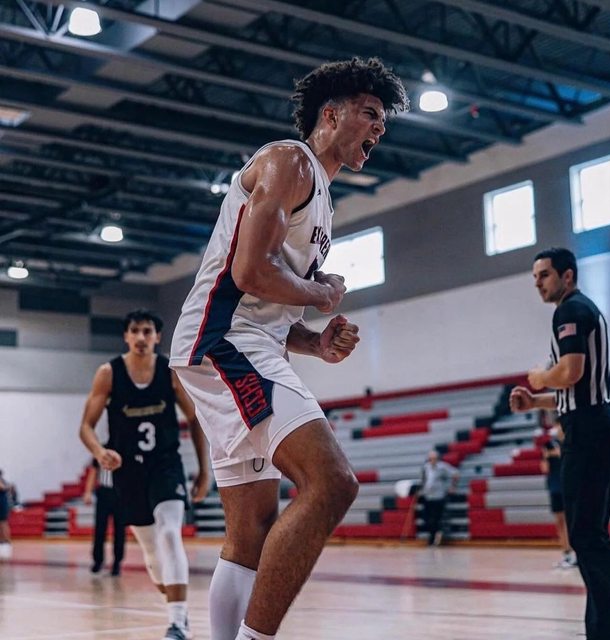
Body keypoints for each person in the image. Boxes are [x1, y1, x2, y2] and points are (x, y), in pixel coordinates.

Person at [170, 57, 409, 640]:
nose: (379, 127)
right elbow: (251, 272)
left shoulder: (322, 199)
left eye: (383, 120)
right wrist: (321, 293)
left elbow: (270, 306)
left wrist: (316, 342)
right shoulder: (289, 161)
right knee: (332, 482)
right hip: (223, 341)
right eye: (370, 113)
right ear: (331, 115)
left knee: (251, 530)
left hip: (240, 342)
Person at [79, 309, 209, 640]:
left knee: (169, 533)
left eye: (147, 331)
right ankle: (176, 606)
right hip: (128, 472)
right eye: (135, 331)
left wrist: (204, 470)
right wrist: (100, 452)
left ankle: (177, 622)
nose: (141, 337)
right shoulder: (108, 373)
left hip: (165, 465)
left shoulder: (169, 372)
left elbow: (195, 419)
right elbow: (86, 427)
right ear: (126, 336)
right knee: (152, 551)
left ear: (157, 337)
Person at [510, 247, 610, 640]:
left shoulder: (569, 310)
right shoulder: (584, 310)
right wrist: (535, 402)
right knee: (590, 535)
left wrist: (540, 377)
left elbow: (571, 372)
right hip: (594, 423)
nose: (538, 283)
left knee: (585, 537)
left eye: (545, 275)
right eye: (535, 277)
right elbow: (578, 389)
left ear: (567, 276)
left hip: (587, 432)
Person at [540, 420, 576, 568]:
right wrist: (546, 455)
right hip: (554, 487)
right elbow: (544, 469)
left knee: (571, 521)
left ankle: (576, 553)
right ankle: (566, 553)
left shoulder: (570, 443)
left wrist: (559, 453)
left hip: (568, 486)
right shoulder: (549, 445)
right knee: (559, 522)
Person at [83, 455, 126, 576]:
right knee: (100, 528)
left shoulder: (125, 450)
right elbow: (94, 470)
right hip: (104, 492)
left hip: (120, 493)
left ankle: (117, 562)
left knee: (120, 530)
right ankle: (98, 561)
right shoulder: (101, 451)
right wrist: (88, 492)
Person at [418, 450, 459, 546]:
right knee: (426, 518)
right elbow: (424, 479)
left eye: (434, 458)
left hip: (438, 496)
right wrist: (421, 489)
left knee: (435, 518)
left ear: (437, 459)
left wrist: (452, 487)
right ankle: (434, 535)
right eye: (430, 459)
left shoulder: (443, 466)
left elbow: (456, 473)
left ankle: (434, 538)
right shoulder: (425, 467)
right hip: (427, 496)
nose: (432, 460)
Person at [0, 469, 13, 560]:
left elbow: (2, 487)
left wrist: (7, 487)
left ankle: (6, 540)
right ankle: (2, 540)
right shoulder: (4, 481)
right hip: (2, 502)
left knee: (3, 522)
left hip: (2, 503)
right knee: (2, 523)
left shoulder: (2, 481)